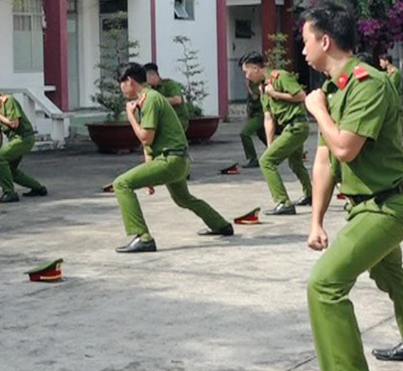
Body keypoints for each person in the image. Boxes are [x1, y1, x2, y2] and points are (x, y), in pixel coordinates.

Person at [301, 0, 403, 371]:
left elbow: (344, 146)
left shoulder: (368, 84)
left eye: (305, 42)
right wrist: (316, 220)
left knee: (324, 284)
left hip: (388, 205)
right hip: (363, 206)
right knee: (389, 272)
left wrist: (318, 111)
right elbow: (325, 160)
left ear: (325, 41)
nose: (302, 51)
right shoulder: (335, 90)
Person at [111, 62, 232, 253]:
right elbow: (149, 144)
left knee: (121, 184)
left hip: (171, 160)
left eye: (121, 83)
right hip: (177, 160)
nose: (121, 88)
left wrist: (131, 117)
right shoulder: (148, 99)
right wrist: (148, 175)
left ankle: (143, 237)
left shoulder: (149, 99)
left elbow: (145, 137)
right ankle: (221, 225)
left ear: (130, 81)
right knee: (183, 199)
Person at [240, 54, 313, 214]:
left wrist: (275, 94)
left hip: (297, 125)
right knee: (295, 162)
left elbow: (301, 95)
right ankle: (310, 194)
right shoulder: (263, 88)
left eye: (247, 72)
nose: (246, 76)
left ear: (256, 68)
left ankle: (283, 202)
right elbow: (268, 118)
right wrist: (270, 144)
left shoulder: (279, 77)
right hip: (289, 127)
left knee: (266, 161)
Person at [0, 77, 48, 203]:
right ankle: (38, 188)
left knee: (0, 159)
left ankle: (9, 193)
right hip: (14, 140)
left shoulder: (8, 101)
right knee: (9, 169)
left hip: (24, 138)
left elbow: (14, 124)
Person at [238, 57, 268, 165]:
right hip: (254, 112)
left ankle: (252, 158)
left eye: (246, 71)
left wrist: (248, 88)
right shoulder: (252, 79)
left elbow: (255, 96)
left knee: (244, 133)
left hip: (260, 113)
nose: (246, 75)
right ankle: (279, 152)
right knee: (262, 135)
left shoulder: (258, 80)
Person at [144, 62, 190, 131]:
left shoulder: (169, 84)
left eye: (146, 77)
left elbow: (177, 100)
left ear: (153, 75)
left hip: (178, 120)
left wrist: (157, 100)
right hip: (163, 122)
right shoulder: (151, 89)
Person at [377, 53, 403, 142]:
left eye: (381, 62)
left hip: (396, 99)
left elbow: (391, 85)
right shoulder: (387, 73)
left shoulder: (395, 72)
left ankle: (400, 135)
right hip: (391, 99)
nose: (380, 64)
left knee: (397, 118)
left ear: (387, 61)